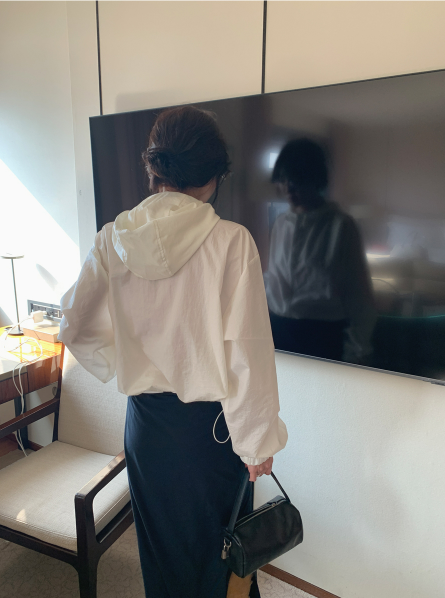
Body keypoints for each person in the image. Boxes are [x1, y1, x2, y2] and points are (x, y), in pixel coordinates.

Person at [59, 106, 288, 598]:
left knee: (161, 555)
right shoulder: (231, 242)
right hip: (211, 435)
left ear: (154, 170)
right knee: (221, 556)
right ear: (215, 174)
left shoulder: (112, 238)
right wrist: (256, 442)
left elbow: (74, 324)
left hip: (146, 427)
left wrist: (123, 357)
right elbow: (247, 352)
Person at [264, 138, 376, 363]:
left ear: (314, 179)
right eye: (283, 180)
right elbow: (275, 277)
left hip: (321, 335)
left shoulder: (341, 226)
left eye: (296, 180)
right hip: (277, 327)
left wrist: (358, 346)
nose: (288, 188)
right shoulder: (280, 224)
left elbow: (359, 292)